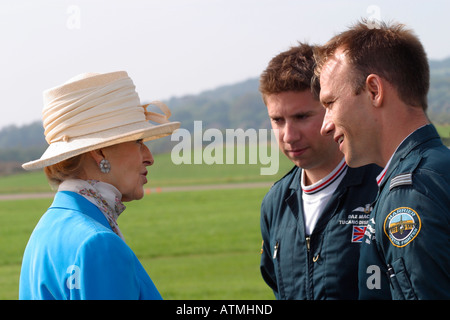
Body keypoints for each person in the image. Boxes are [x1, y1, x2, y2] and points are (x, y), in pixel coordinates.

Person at [316, 20, 450, 299]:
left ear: (374, 91)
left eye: (330, 104)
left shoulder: (411, 191)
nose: (325, 125)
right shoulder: (437, 166)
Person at [19, 71, 180, 299]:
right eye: (137, 142)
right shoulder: (97, 243)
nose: (149, 157)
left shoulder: (44, 232)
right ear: (100, 152)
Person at [258, 43, 381, 299]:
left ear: (331, 108)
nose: (289, 136)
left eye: (302, 117)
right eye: (278, 120)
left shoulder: (384, 187)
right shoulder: (275, 203)